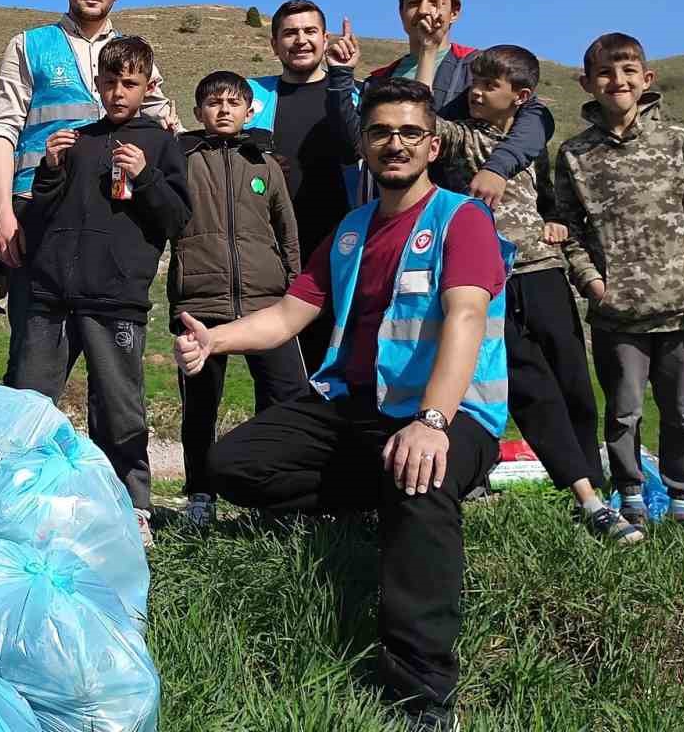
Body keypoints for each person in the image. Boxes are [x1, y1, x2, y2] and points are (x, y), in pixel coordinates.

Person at [176, 78, 512, 730]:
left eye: (410, 132)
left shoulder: (461, 220)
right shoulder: (352, 230)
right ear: (365, 146)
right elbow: (287, 316)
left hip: (449, 415)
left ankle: (422, 694)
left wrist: (432, 422)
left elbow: (467, 317)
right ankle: (375, 492)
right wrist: (216, 340)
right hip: (356, 407)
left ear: (432, 146)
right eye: (381, 132)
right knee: (232, 465)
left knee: (420, 486)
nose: (395, 143)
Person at [427, 45, 642, 545]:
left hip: (543, 271)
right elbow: (426, 121)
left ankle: (597, 489)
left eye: (489, 86)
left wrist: (556, 222)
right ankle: (583, 495)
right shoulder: (461, 137)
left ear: (519, 97)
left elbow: (549, 199)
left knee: (574, 381)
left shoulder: (529, 142)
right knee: (529, 385)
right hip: (492, 282)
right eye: (474, 83)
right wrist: (428, 54)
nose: (476, 93)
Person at [10, 36, 191, 547]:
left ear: (147, 86)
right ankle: (22, 501)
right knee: (29, 403)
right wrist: (48, 169)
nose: (118, 92)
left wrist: (146, 176)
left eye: (129, 83)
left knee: (118, 410)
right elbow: (41, 214)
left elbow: (177, 219)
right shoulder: (77, 140)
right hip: (51, 297)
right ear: (97, 83)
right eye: (109, 82)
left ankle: (132, 508)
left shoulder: (161, 143)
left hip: (115, 300)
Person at [553, 32, 684, 528]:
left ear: (647, 79)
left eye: (628, 71)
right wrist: (591, 282)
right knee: (623, 411)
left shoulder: (676, 142)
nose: (618, 81)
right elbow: (568, 229)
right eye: (605, 73)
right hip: (616, 314)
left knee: (681, 412)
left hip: (677, 306)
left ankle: (683, 500)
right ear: (587, 83)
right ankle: (629, 493)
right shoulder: (575, 154)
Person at [0, 0, 172, 348]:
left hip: (111, 214)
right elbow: (3, 130)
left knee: (111, 360)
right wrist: (2, 211)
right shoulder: (28, 45)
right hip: (38, 209)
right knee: (33, 353)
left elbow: (162, 127)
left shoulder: (136, 57)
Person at [168, 70, 305, 529]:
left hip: (269, 305)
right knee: (200, 407)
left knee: (285, 399)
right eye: (213, 103)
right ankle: (201, 496)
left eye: (233, 103)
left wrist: (296, 290)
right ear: (198, 112)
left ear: (249, 111)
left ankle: (279, 499)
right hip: (200, 304)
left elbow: (287, 232)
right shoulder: (182, 160)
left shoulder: (266, 165)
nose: (223, 110)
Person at [326, 0, 553, 211]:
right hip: (388, 209)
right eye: (414, 2)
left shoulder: (478, 69)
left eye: (435, 2)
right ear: (401, 12)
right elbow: (354, 146)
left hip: (457, 210)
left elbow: (537, 118)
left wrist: (498, 168)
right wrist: (341, 74)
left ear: (454, 12)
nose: (424, 10)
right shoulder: (380, 80)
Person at [242, 0, 350, 372]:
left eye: (309, 31)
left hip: (342, 246)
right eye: (289, 33)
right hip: (271, 251)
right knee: (278, 370)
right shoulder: (250, 95)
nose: (300, 40)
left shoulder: (352, 93)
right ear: (274, 44)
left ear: (325, 38)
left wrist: (344, 74)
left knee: (336, 362)